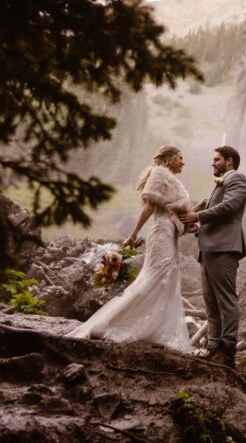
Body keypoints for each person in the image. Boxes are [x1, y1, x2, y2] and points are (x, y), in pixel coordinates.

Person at [68, 145, 195, 353]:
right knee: (156, 277)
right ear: (169, 158)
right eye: (180, 158)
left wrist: (198, 211)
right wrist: (134, 233)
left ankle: (151, 328)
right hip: (161, 232)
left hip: (169, 234)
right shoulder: (159, 173)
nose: (183, 162)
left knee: (165, 279)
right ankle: (111, 323)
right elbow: (150, 206)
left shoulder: (169, 178)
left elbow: (176, 213)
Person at [180, 145, 246, 368]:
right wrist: (198, 227)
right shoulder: (222, 181)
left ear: (229, 162)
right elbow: (217, 214)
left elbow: (229, 207)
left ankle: (227, 351)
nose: (213, 163)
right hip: (209, 248)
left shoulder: (237, 178)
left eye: (217, 159)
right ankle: (213, 347)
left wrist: (197, 215)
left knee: (226, 300)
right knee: (210, 301)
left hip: (224, 248)